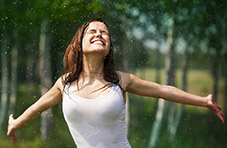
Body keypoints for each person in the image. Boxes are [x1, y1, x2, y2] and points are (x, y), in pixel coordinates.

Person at [7, 18, 224, 148]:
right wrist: (15, 123)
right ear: (80, 44)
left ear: (109, 47)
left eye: (104, 33)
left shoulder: (121, 81)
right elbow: (38, 107)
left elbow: (162, 90)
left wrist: (203, 100)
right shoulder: (64, 83)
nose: (99, 34)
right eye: (92, 31)